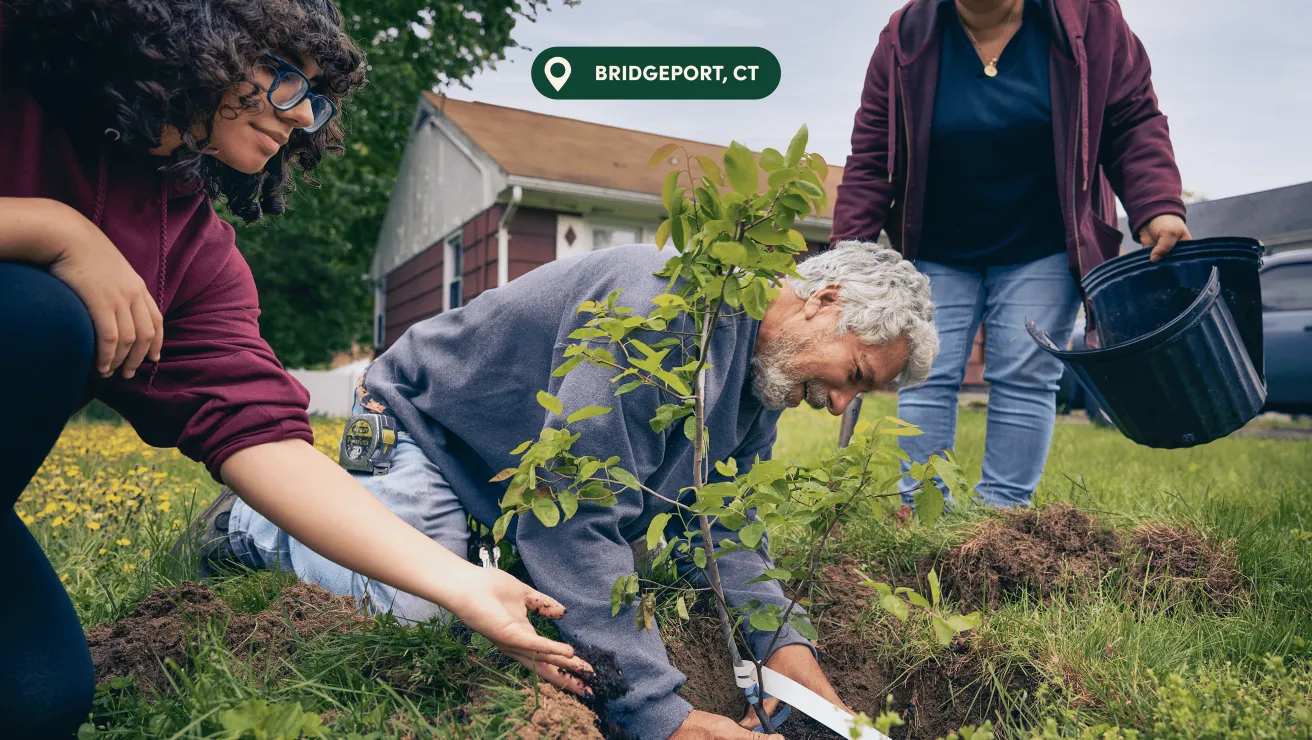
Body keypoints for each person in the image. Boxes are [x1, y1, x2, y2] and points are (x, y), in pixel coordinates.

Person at [0, 1, 585, 736]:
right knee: (37, 313)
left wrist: (465, 584)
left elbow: (263, 440)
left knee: (38, 695)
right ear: (193, 38)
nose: (303, 116)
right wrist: (53, 232)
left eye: (316, 98)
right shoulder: (23, 74)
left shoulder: (189, 249)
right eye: (283, 77)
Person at [210, 242, 939, 739]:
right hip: (422, 431)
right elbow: (573, 523)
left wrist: (790, 657)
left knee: (516, 606)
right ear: (825, 301)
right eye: (857, 376)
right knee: (424, 618)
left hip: (509, 488)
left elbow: (722, 530)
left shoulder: (758, 381)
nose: (843, 405)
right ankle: (260, 521)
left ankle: (465, 553)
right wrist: (667, 718)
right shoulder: (659, 315)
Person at [831, 0, 1191, 508]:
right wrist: (849, 252)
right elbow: (871, 151)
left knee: (1026, 374)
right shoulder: (906, 34)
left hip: (1044, 243)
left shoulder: (1086, 20)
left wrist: (1157, 204)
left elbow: (1132, 117)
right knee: (924, 373)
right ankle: (923, 511)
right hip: (935, 246)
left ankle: (1003, 520)